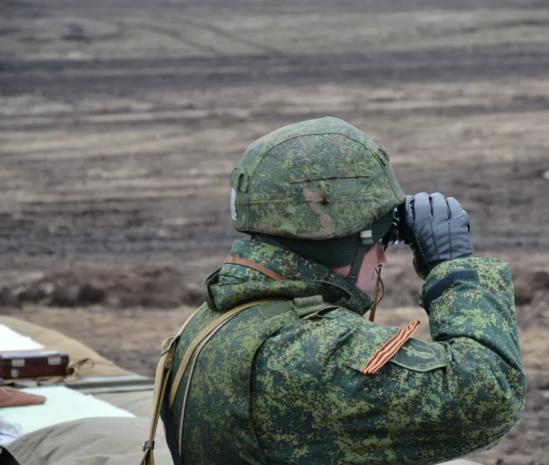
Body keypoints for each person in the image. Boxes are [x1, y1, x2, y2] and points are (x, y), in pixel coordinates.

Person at [146, 117, 525, 465]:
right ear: (341, 244)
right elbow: (491, 394)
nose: (382, 258)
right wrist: (452, 270)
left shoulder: (216, 318)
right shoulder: (308, 352)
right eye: (377, 240)